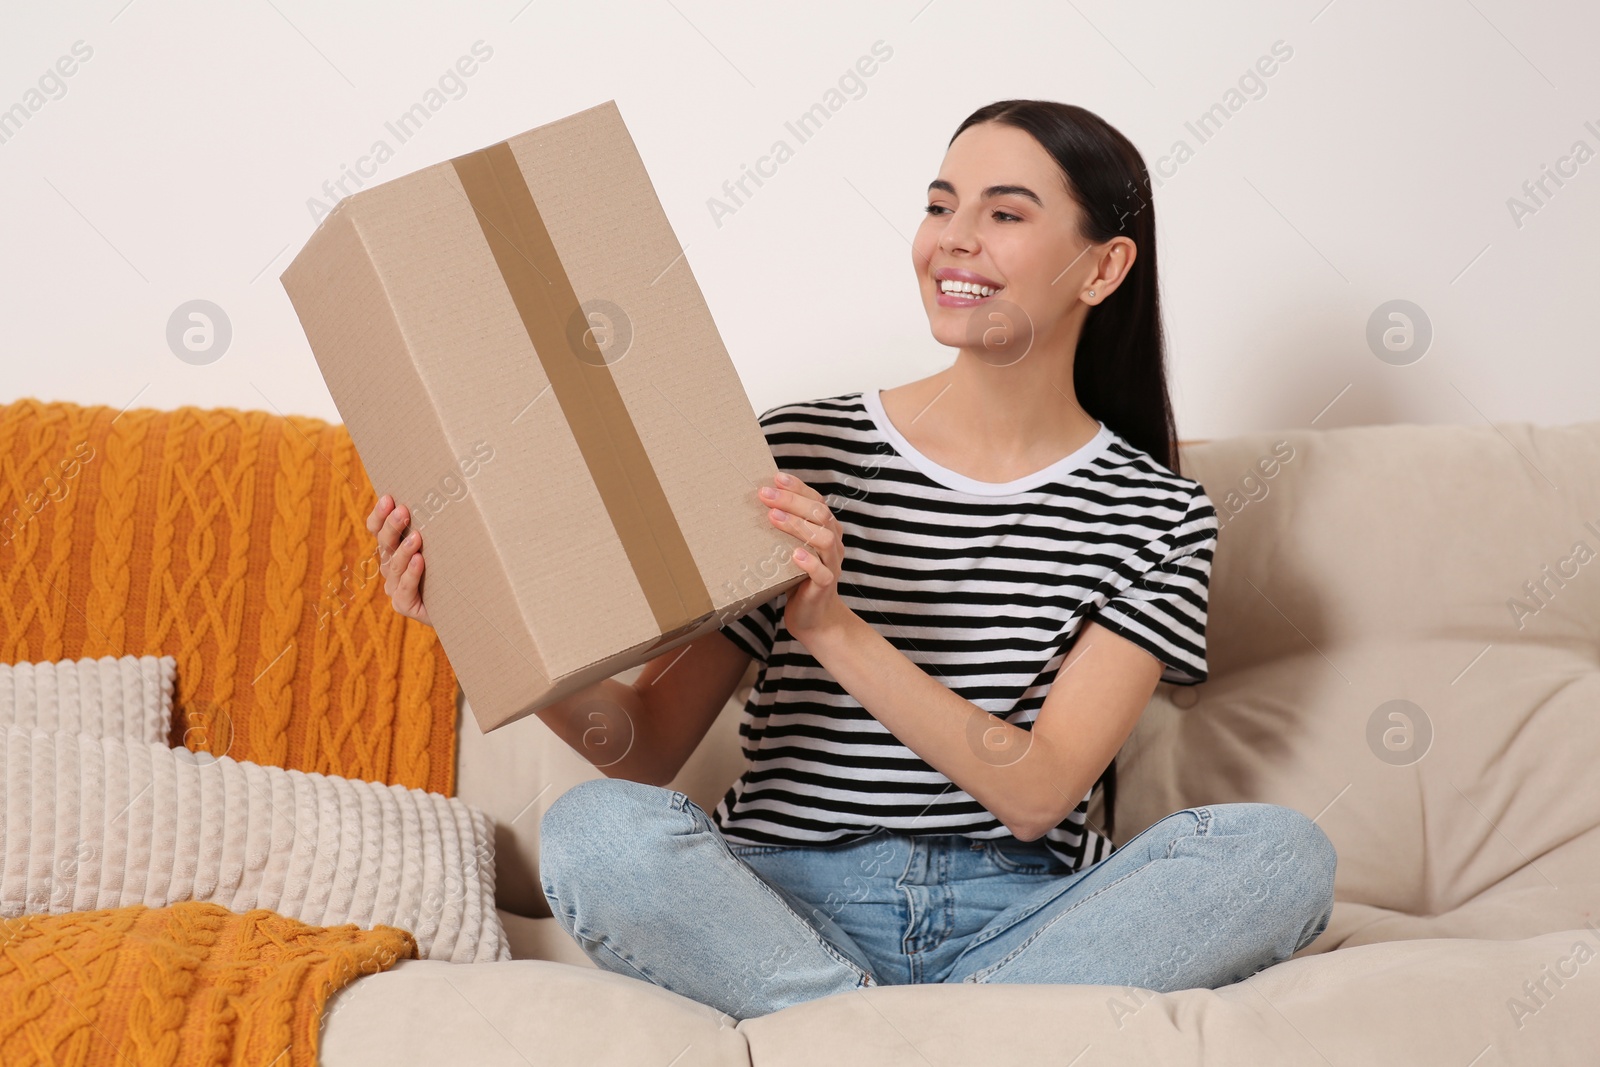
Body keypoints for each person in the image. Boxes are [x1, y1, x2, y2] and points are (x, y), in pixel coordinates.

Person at [366, 98, 1336, 1022]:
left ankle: (850, 1032)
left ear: (1101, 266)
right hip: (776, 903)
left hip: (1020, 911)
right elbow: (648, 740)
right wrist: (482, 612)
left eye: (1004, 213)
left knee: (1278, 853)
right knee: (594, 827)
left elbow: (1038, 792)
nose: (953, 236)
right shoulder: (796, 449)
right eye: (938, 204)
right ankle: (916, 1031)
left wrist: (831, 625)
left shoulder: (1155, 511)